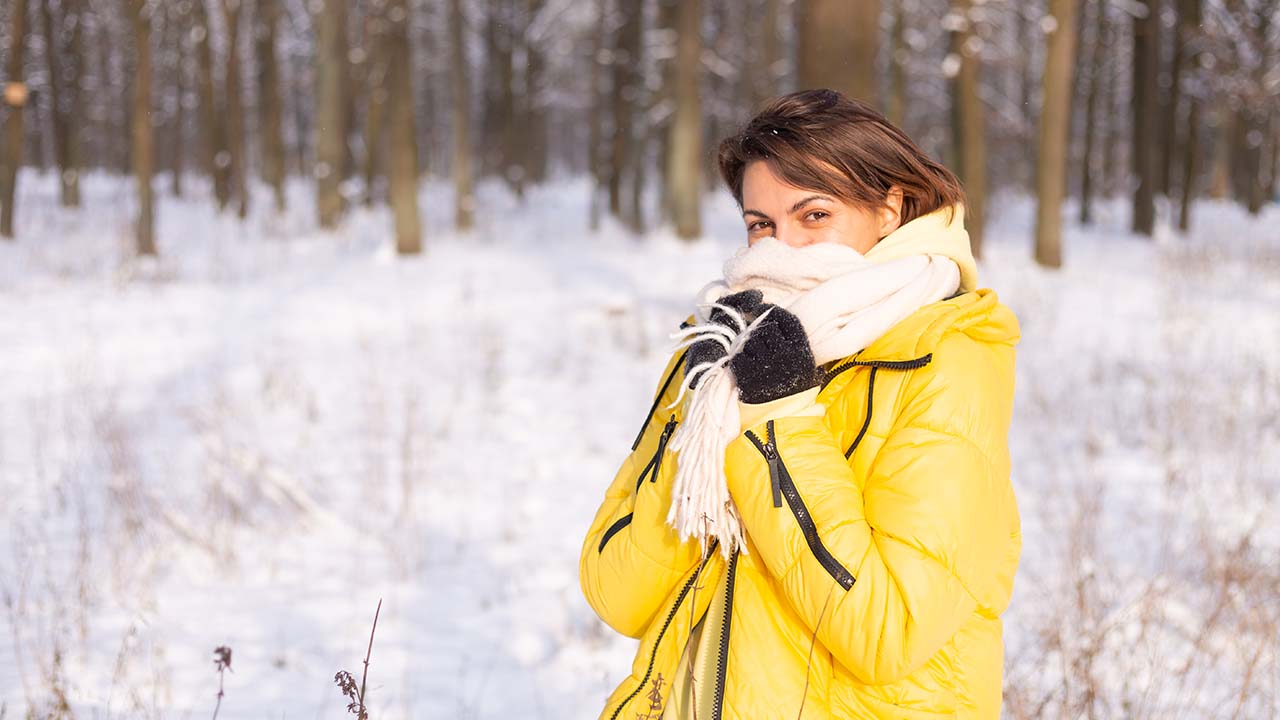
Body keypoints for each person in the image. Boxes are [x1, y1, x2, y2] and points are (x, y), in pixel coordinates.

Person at [579, 88, 1021, 720]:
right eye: (761, 224)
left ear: (890, 209)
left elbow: (888, 628)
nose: (778, 248)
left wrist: (777, 420)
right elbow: (615, 591)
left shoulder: (945, 357)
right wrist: (699, 422)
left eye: (814, 216)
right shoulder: (728, 344)